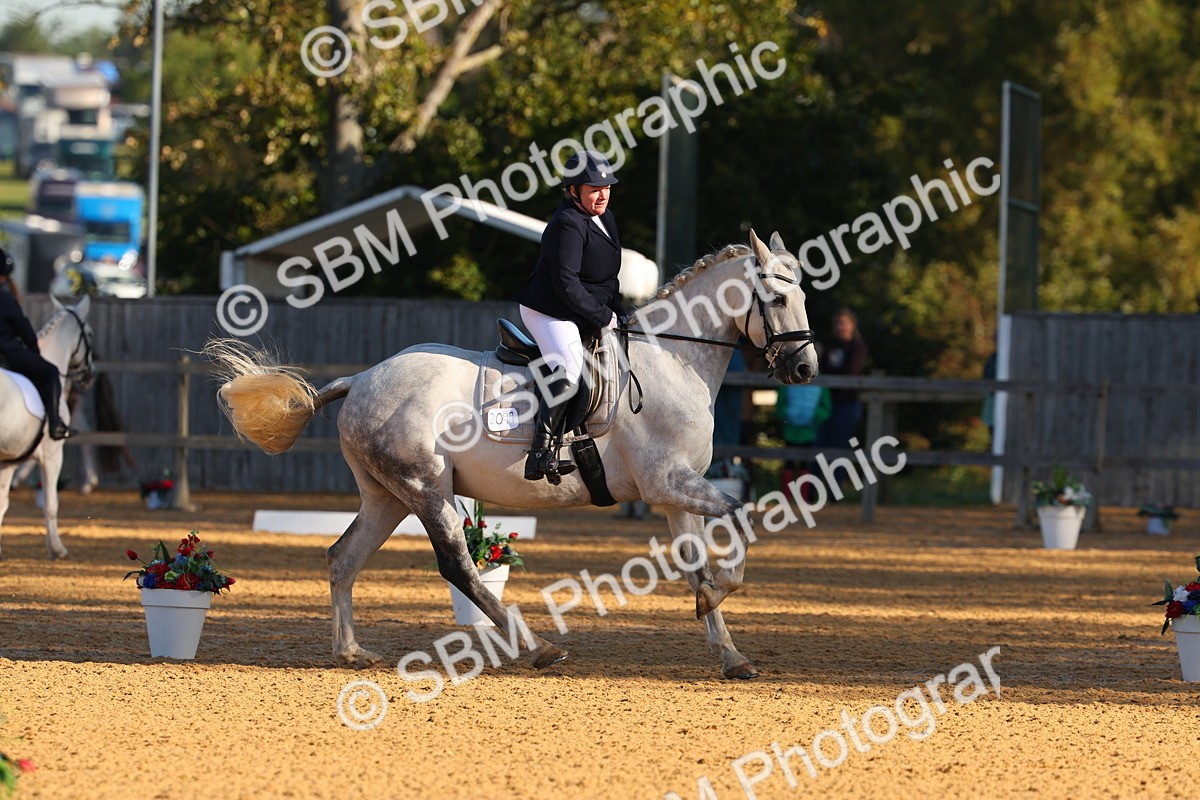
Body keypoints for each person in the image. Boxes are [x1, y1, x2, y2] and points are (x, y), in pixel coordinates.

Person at [511, 151, 626, 483]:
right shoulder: (567, 223)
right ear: (574, 190)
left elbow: (608, 279)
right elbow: (566, 283)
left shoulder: (606, 219)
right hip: (550, 310)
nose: (602, 195)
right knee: (571, 366)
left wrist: (620, 311)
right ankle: (539, 453)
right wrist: (602, 315)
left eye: (607, 188)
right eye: (594, 189)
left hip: (580, 308)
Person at [0, 247, 76, 440]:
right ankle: (55, 425)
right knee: (51, 372)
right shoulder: (6, 299)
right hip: (8, 353)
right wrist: (34, 350)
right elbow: (23, 328)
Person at [815, 308, 867, 489]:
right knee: (819, 445)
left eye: (844, 323)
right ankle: (812, 491)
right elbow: (819, 369)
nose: (841, 327)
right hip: (825, 402)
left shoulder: (857, 347)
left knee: (840, 446)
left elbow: (852, 371)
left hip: (847, 403)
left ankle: (834, 490)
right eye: (838, 323)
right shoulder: (828, 344)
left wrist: (830, 375)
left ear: (853, 326)